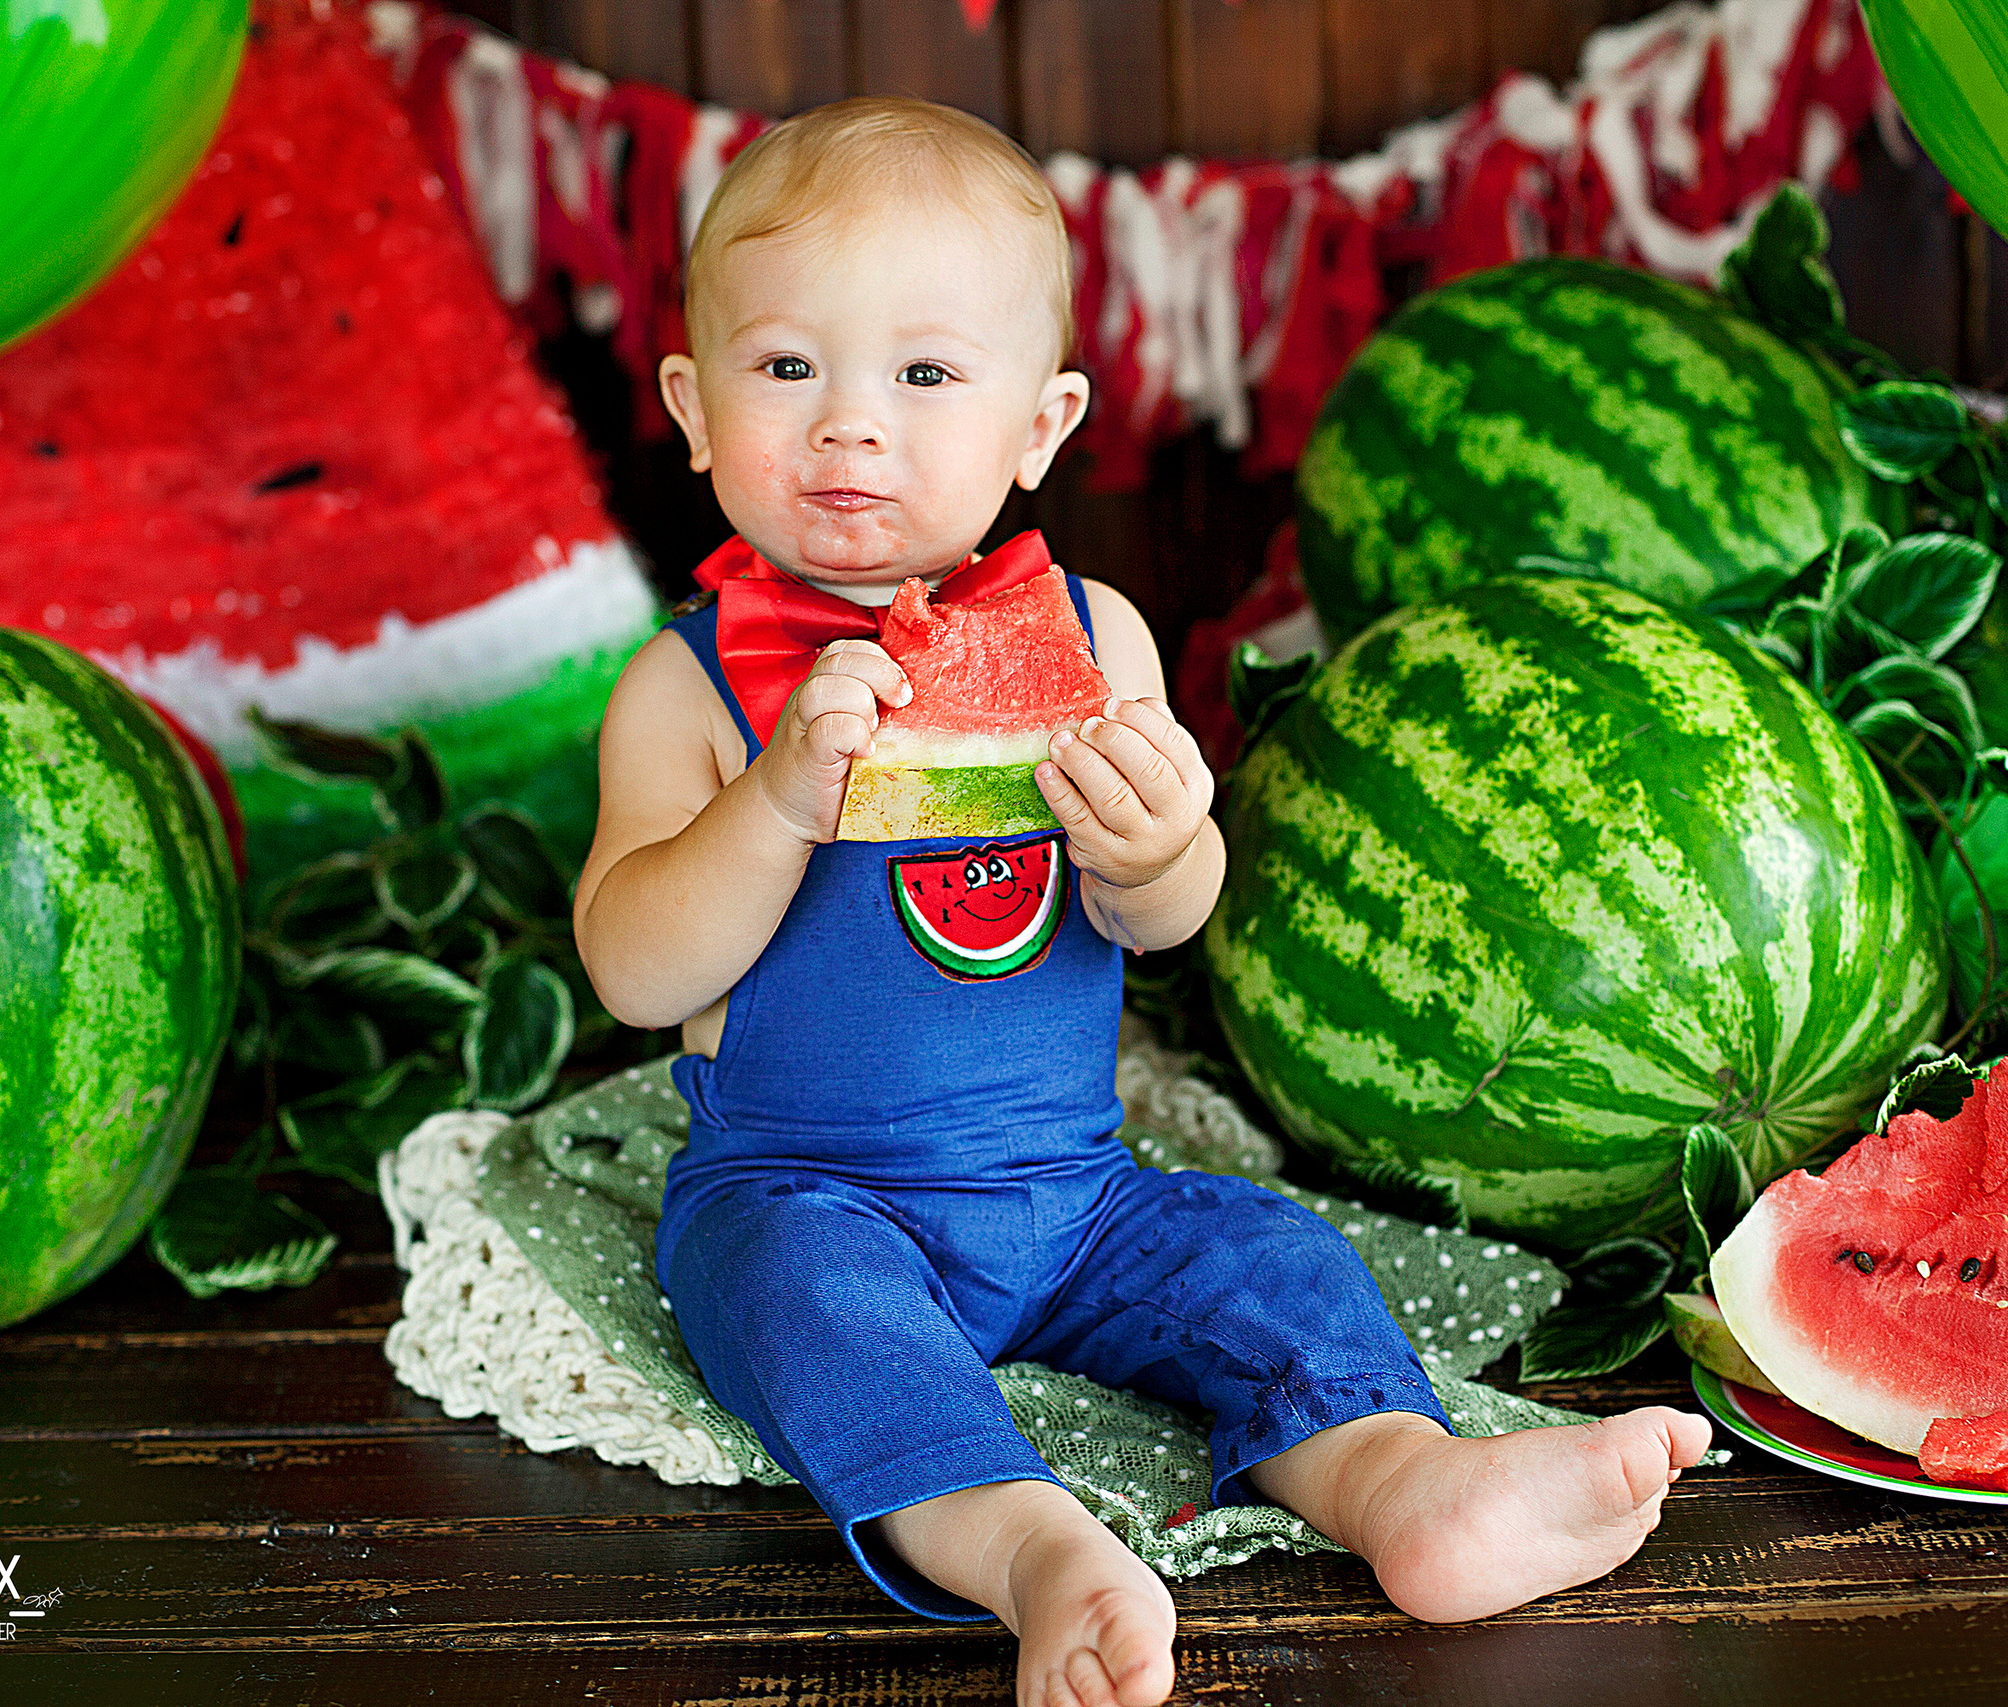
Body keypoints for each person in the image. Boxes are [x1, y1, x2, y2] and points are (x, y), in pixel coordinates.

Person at [572, 94, 1711, 1707]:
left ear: (1040, 428)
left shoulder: (1093, 636)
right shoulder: (681, 689)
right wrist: (768, 808)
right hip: (804, 1189)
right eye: (785, 369)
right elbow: (629, 967)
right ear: (694, 407)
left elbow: (1160, 921)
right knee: (797, 1313)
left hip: (1077, 1193)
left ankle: (1408, 1486)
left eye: (923, 375)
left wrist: (1164, 842)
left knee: (1269, 1258)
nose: (848, 427)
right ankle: (1038, 1547)